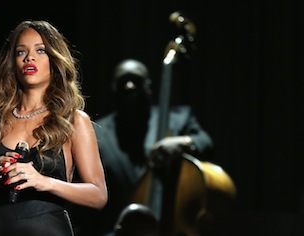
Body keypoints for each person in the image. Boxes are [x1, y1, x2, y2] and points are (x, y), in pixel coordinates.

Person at [0, 20, 108, 236]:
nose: (29, 57)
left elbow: (98, 196)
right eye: (21, 52)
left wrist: (42, 181)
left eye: (41, 50)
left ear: (54, 59)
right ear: (13, 63)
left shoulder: (73, 120)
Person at [71, 58, 214, 236]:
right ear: (113, 90)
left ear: (148, 87)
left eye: (136, 81)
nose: (130, 87)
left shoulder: (178, 119)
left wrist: (183, 142)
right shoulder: (96, 133)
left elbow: (206, 142)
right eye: (123, 82)